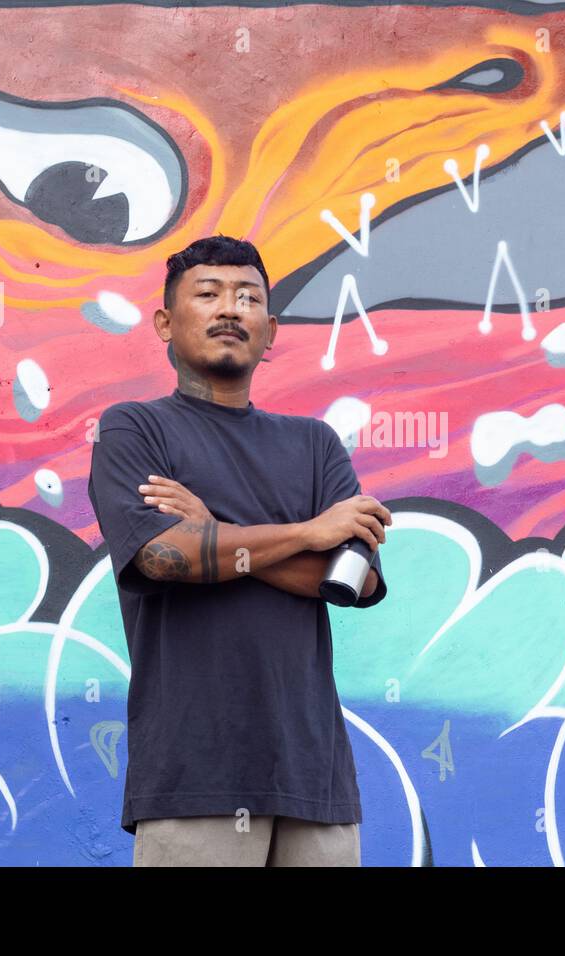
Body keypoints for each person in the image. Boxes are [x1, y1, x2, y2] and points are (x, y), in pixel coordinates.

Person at [87, 234, 391, 866]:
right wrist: (309, 534)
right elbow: (162, 558)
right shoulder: (134, 429)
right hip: (195, 775)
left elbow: (350, 583)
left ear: (271, 329)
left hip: (317, 780)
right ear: (165, 323)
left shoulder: (316, 445)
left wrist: (214, 532)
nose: (231, 309)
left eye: (248, 297)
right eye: (209, 294)